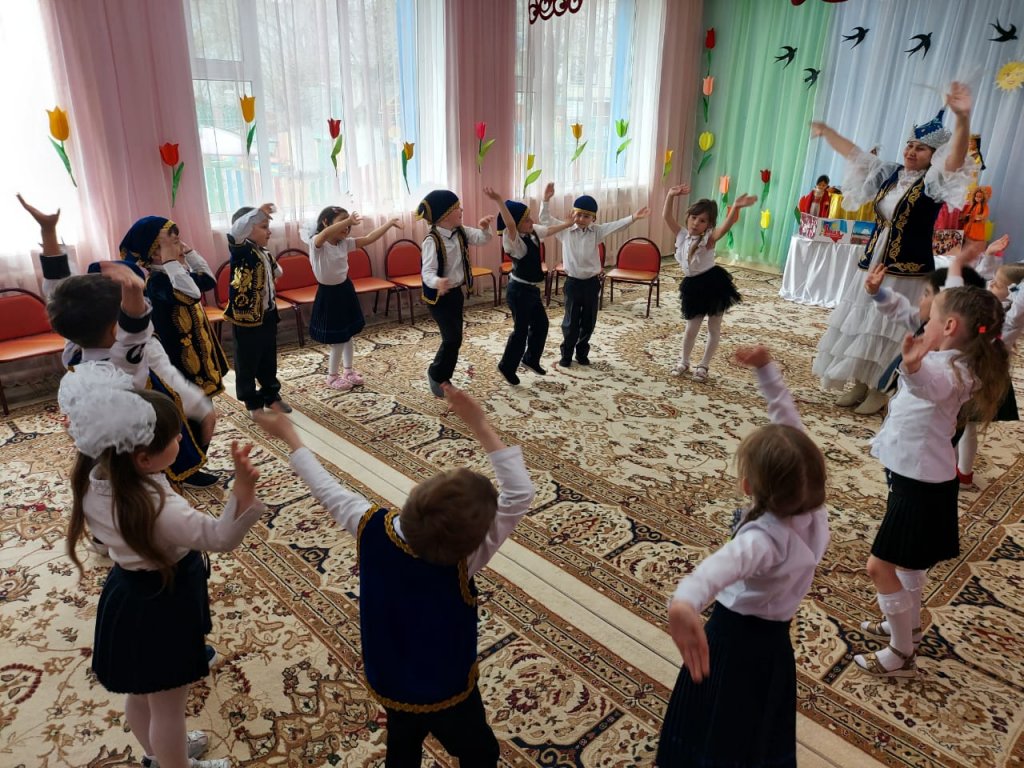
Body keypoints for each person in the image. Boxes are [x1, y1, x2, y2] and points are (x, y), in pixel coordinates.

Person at [253, 384, 535, 767]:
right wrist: (480, 424)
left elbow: (325, 488)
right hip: (449, 686)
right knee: (479, 751)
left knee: (402, 747)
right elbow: (519, 493)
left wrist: (291, 436)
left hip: (391, 679)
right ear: (476, 536)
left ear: (416, 495)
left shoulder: (370, 525)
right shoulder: (466, 557)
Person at [60, 361, 264, 768]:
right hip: (163, 604)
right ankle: (175, 762)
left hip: (128, 594)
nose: (180, 438)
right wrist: (242, 491)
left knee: (142, 693)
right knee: (168, 707)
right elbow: (220, 537)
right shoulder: (158, 508)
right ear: (143, 458)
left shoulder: (97, 477)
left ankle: (158, 756)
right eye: (173, 436)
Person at [656, 344, 829, 768]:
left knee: (714, 720)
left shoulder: (764, 540)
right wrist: (767, 371)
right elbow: (791, 428)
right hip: (772, 645)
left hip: (731, 639)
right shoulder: (813, 510)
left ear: (748, 486)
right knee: (755, 724)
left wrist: (684, 602)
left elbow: (717, 570)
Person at [854, 286, 1009, 677]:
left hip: (918, 483)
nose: (925, 322)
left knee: (879, 567)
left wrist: (912, 369)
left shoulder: (944, 371)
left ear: (950, 326)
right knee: (909, 565)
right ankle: (908, 628)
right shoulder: (959, 362)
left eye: (932, 317)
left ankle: (901, 653)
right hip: (921, 477)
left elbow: (931, 388)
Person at [17, 195, 218, 490]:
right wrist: (202, 408)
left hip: (100, 430)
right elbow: (161, 365)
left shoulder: (75, 335)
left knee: (115, 464)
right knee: (157, 448)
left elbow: (58, 291)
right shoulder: (129, 357)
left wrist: (48, 233)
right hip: (139, 415)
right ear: (120, 325)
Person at [809, 82, 974, 415]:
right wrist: (828, 132)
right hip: (874, 261)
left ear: (934, 155)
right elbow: (855, 154)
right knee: (865, 322)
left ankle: (881, 388)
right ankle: (860, 380)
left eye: (921, 149)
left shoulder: (934, 182)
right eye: (910, 145)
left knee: (892, 326)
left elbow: (956, 159)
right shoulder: (890, 174)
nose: (911, 152)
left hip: (907, 269)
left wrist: (962, 119)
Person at [120, 216, 230, 487]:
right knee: (189, 420)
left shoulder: (176, 273)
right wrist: (172, 262)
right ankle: (187, 469)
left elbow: (207, 281)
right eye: (173, 242)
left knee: (203, 414)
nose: (180, 246)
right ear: (154, 252)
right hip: (178, 363)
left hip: (199, 362)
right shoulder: (158, 282)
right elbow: (191, 294)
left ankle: (196, 461)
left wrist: (187, 252)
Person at [538, 186, 650, 368]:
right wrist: (545, 200)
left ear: (593, 219)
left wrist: (633, 217)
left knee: (588, 321)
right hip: (573, 283)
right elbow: (545, 220)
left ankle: (582, 353)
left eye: (586, 216)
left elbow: (616, 225)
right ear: (573, 214)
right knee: (570, 322)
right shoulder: (565, 230)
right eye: (578, 215)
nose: (581, 219)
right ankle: (567, 354)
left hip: (591, 284)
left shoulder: (597, 231)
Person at [663, 184, 757, 381]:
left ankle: (704, 365)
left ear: (709, 224)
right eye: (694, 217)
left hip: (713, 285)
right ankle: (684, 361)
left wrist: (735, 207)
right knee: (691, 329)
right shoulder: (682, 235)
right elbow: (667, 216)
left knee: (713, 328)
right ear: (688, 217)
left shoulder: (709, 239)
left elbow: (725, 227)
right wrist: (671, 194)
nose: (696, 223)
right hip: (693, 287)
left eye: (702, 220)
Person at [484, 184, 571, 384]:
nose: (532, 221)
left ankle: (530, 359)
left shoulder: (532, 231)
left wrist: (567, 223)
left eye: (530, 217)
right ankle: (506, 366)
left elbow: (548, 230)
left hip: (531, 290)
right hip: (518, 292)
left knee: (541, 324)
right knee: (521, 331)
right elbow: (510, 224)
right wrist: (499, 200)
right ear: (516, 225)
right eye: (527, 219)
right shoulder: (512, 240)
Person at [308, 206, 401, 390]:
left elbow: (369, 238)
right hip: (329, 295)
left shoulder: (344, 243)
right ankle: (332, 376)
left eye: (349, 224)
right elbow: (324, 235)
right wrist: (348, 220)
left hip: (345, 290)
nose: (347, 227)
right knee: (338, 340)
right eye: (342, 222)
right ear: (325, 222)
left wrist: (389, 224)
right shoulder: (317, 243)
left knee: (348, 334)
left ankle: (348, 370)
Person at [955, 252, 1024, 485]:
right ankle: (954, 468)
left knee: (967, 425)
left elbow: (1019, 303)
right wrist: (991, 256)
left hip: (982, 375)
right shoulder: (992, 303)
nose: (991, 285)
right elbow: (980, 282)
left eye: (997, 284)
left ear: (1014, 291)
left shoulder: (1011, 318)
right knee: (957, 423)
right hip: (966, 369)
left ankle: (962, 472)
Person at [417, 189, 494, 397]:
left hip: (455, 294)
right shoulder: (431, 241)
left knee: (456, 338)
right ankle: (436, 374)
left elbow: (482, 239)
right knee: (451, 338)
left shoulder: (461, 231)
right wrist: (438, 282)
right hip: (439, 297)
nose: (462, 210)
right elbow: (427, 273)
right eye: (457, 208)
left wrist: (484, 228)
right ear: (444, 215)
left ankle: (443, 376)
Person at [224, 204, 292, 416]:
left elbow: (278, 273)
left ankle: (271, 395)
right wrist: (257, 213)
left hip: (267, 315)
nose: (269, 231)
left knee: (268, 357)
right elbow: (236, 232)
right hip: (246, 319)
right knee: (247, 361)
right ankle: (252, 402)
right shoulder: (241, 251)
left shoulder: (264, 252)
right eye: (263, 227)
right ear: (246, 229)